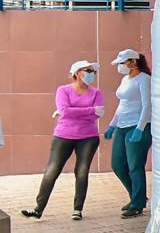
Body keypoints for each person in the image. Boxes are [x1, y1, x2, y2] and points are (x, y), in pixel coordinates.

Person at [22, 60, 105, 221]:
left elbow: (98, 114)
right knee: (52, 170)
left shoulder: (96, 93)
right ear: (77, 73)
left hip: (88, 136)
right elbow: (64, 111)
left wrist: (76, 111)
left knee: (82, 172)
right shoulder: (63, 90)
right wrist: (89, 110)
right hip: (63, 135)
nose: (92, 74)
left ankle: (78, 209)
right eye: (88, 70)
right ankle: (38, 208)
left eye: (93, 71)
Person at [105, 49, 153, 218]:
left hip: (137, 125)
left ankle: (137, 204)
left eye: (122, 62)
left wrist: (140, 128)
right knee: (117, 164)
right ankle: (136, 196)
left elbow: (147, 105)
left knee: (135, 166)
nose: (120, 66)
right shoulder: (125, 79)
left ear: (133, 62)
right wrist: (112, 125)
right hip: (122, 126)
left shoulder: (144, 79)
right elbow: (122, 104)